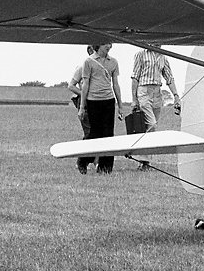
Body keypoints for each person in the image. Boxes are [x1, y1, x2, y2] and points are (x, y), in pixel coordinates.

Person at [76, 43, 123, 174]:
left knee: (108, 134)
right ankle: (83, 161)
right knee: (94, 134)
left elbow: (116, 85)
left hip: (108, 100)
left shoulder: (113, 62)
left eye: (109, 44)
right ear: (98, 46)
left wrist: (120, 105)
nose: (108, 47)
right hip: (93, 101)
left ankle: (105, 167)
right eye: (105, 44)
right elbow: (85, 84)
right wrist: (82, 107)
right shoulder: (88, 61)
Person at [131, 47, 181, 132]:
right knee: (152, 124)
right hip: (144, 91)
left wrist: (176, 95)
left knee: (153, 126)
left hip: (157, 93)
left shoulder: (163, 57)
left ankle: (148, 143)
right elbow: (135, 77)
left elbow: (169, 78)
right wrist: (134, 100)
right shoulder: (141, 54)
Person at [67, 46, 96, 138]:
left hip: (99, 100)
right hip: (86, 102)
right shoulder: (82, 68)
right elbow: (71, 85)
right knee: (89, 132)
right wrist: (84, 94)